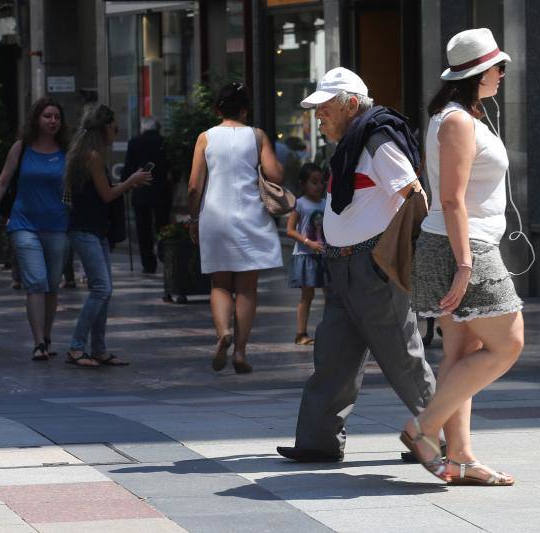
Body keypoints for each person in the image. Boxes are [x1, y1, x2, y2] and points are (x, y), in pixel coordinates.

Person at [277, 67, 437, 463]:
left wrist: (404, 256)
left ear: (350, 104)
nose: (319, 117)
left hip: (372, 267)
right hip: (344, 266)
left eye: (325, 108)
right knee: (333, 356)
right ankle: (318, 441)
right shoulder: (353, 143)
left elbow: (414, 196)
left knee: (404, 358)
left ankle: (441, 439)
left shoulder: (378, 141)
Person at [406, 28, 523, 485]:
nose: (502, 73)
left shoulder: (463, 116)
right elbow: (451, 199)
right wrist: (466, 265)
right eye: (498, 67)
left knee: (462, 351)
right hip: (463, 245)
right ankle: (423, 428)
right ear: (477, 72)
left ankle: (461, 459)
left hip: (460, 242)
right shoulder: (456, 120)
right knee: (508, 342)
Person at [187, 82, 284, 374]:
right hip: (250, 216)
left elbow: (194, 186)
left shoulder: (205, 138)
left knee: (219, 283)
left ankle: (222, 334)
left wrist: (193, 219)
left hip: (215, 216)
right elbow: (275, 174)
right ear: (245, 109)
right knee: (246, 287)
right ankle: (240, 352)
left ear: (217, 109)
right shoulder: (256, 136)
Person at [64, 104, 152, 368]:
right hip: (86, 230)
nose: (117, 130)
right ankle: (77, 346)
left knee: (103, 290)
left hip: (94, 229)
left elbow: (99, 192)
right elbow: (107, 195)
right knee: (102, 288)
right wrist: (132, 181)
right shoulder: (92, 156)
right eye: (115, 126)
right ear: (104, 128)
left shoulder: (86, 154)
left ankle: (98, 348)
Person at [0, 97, 70, 360]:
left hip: (57, 225)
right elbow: (3, 181)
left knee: (51, 285)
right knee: (36, 281)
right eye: (47, 116)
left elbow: (73, 188)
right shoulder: (21, 147)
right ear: (36, 119)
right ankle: (38, 342)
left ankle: (47, 336)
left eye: (57, 117)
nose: (52, 121)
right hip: (23, 223)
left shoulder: (66, 150)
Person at [286, 162, 329, 345]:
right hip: (306, 256)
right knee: (307, 295)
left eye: (321, 182)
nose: (319, 186)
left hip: (324, 255)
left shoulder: (326, 203)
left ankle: (330, 330)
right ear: (303, 184)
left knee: (330, 294)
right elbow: (290, 230)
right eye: (314, 182)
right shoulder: (300, 204)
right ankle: (301, 333)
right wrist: (308, 243)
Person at [122, 116, 171, 274]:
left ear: (143, 128)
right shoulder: (165, 142)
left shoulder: (134, 142)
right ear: (157, 128)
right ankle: (165, 256)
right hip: (162, 191)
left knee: (143, 229)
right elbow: (173, 168)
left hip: (141, 190)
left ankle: (148, 263)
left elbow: (129, 166)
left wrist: (125, 184)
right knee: (163, 226)